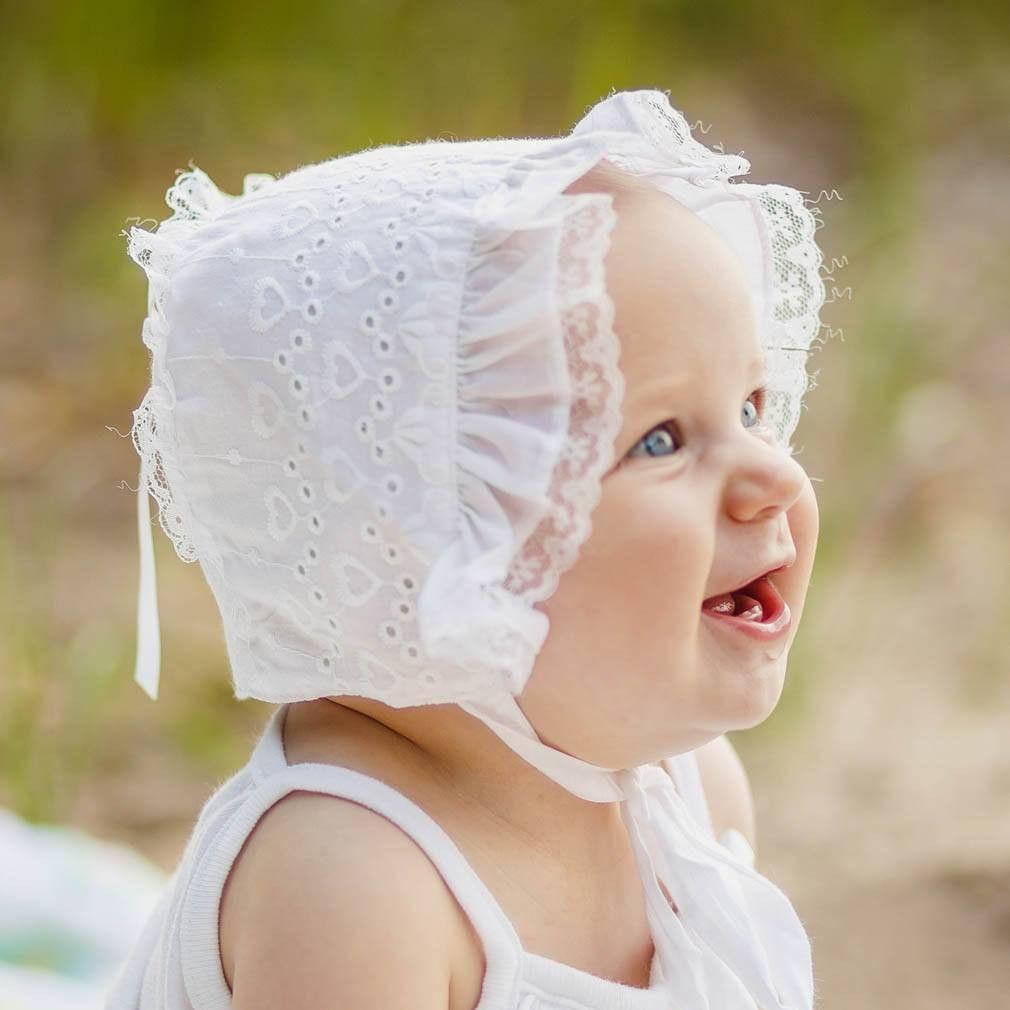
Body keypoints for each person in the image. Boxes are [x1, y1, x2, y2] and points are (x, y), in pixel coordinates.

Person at [106, 87, 835, 1010]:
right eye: (660, 440)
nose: (772, 475)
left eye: (751, 409)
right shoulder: (355, 878)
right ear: (420, 540)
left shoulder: (690, 792)